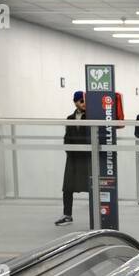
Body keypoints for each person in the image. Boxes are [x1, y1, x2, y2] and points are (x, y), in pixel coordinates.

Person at [55, 91, 92, 226]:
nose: (84, 104)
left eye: (85, 101)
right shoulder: (70, 118)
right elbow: (67, 136)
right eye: (81, 101)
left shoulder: (91, 117)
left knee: (92, 186)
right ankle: (67, 214)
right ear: (75, 102)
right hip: (73, 157)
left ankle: (96, 215)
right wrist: (69, 150)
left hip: (87, 157)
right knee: (68, 187)